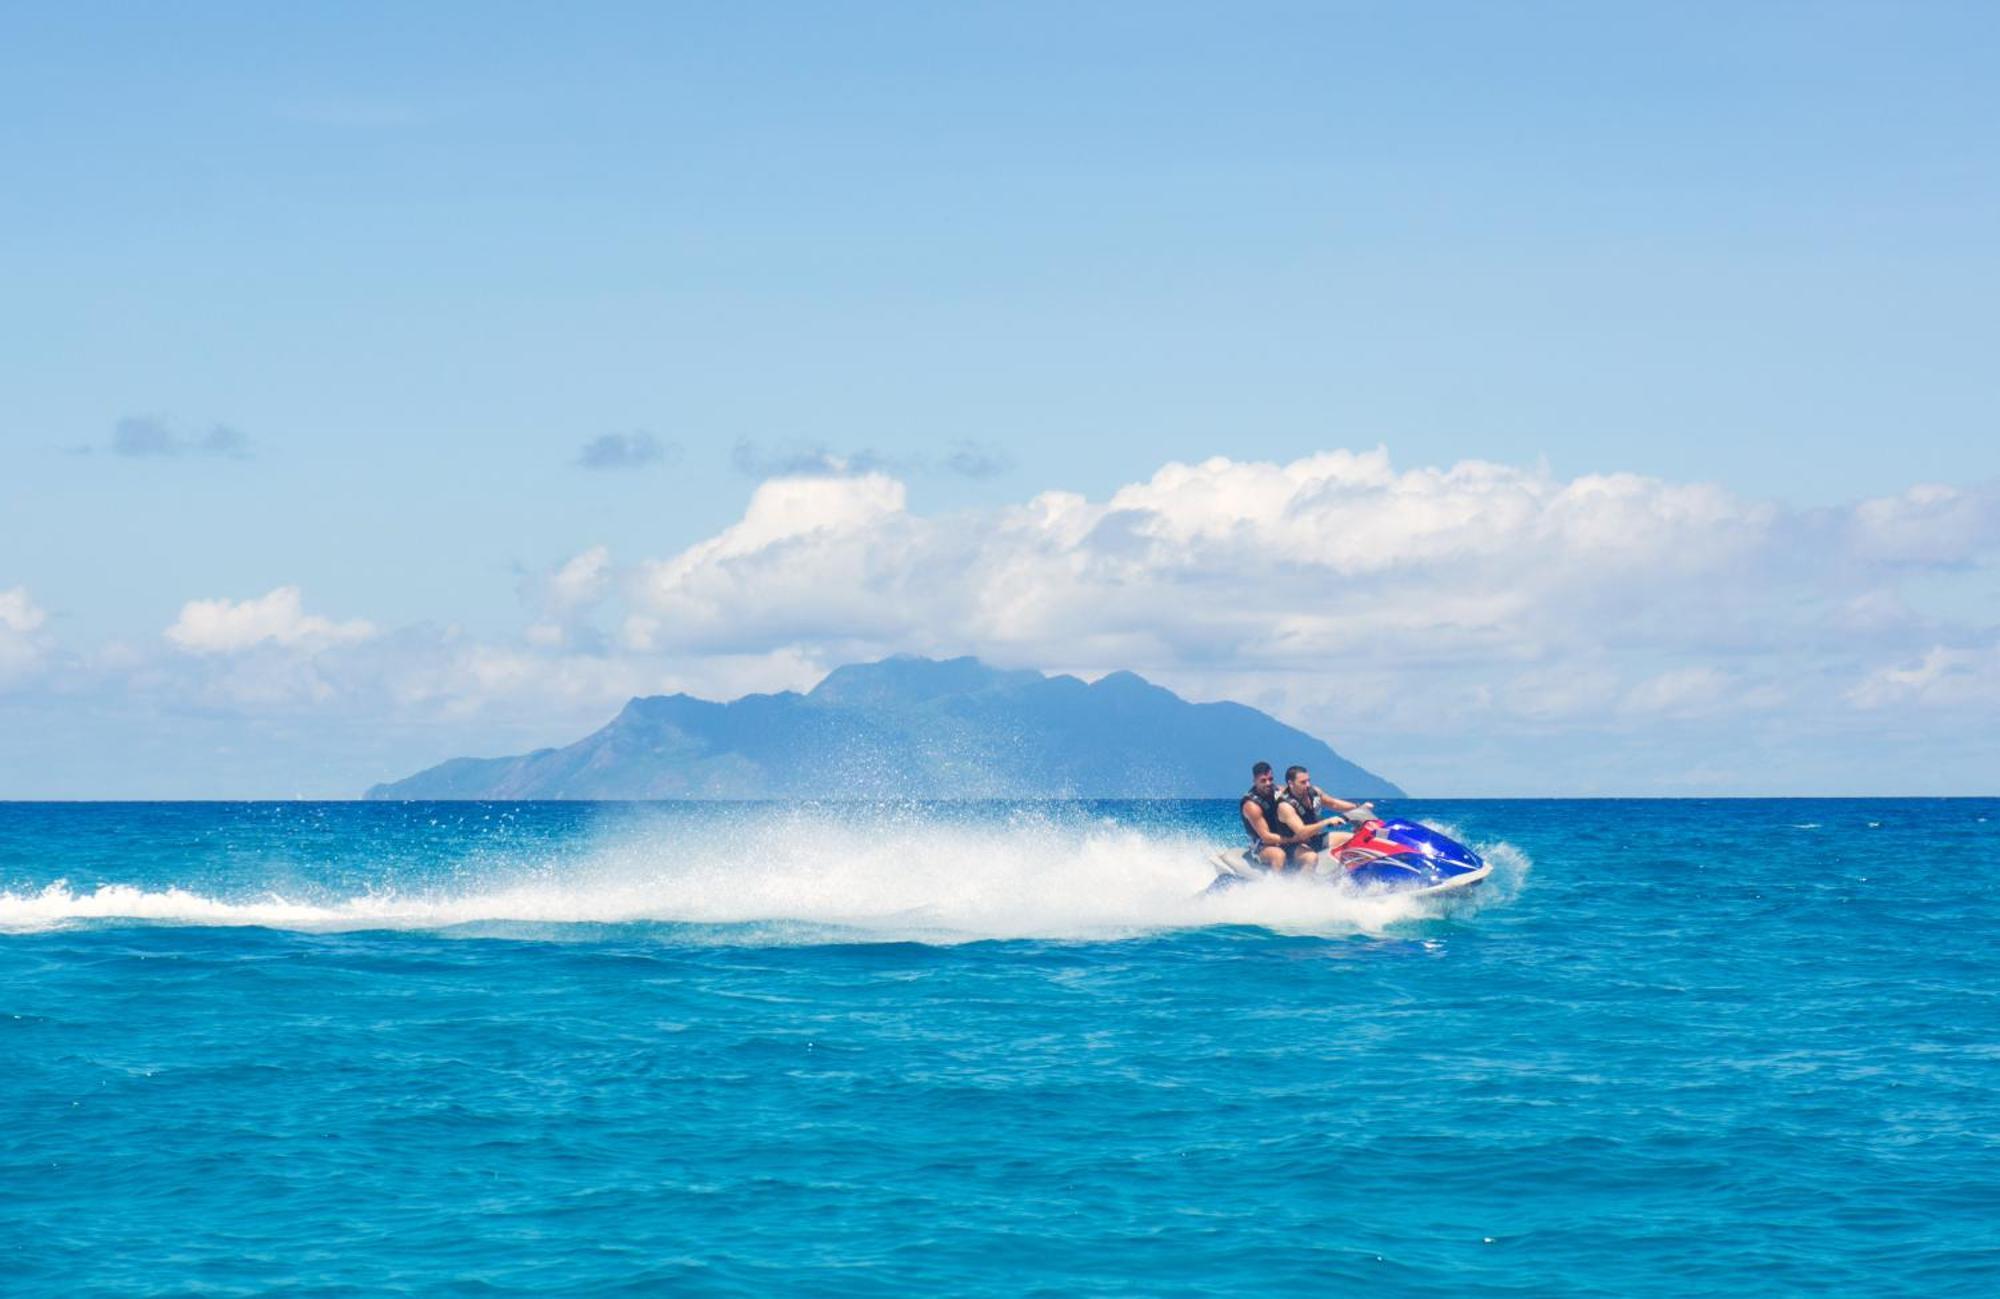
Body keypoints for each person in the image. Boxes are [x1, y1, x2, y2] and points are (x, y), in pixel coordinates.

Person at [1273, 765, 1376, 873]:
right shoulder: (1285, 806)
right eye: (1303, 782)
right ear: (1291, 783)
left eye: (1308, 781)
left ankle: (1357, 873)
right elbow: (1301, 832)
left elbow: (1333, 803)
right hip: (1293, 845)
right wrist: (1326, 822)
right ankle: (1302, 886)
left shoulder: (1314, 792)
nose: (1308, 785)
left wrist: (1358, 807)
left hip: (1314, 840)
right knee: (1311, 858)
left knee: (1355, 839)